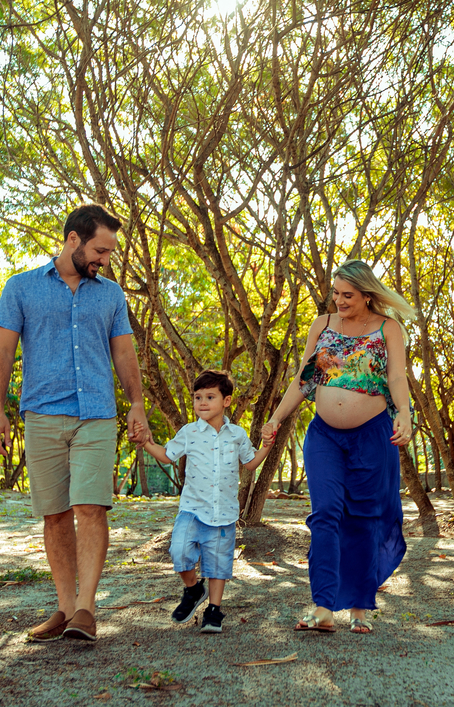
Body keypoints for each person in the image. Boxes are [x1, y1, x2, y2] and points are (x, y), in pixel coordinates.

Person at [0, 203, 152, 644]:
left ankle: (86, 609)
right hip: (42, 413)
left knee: (91, 507)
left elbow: (124, 352)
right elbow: (2, 353)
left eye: (110, 253)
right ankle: (63, 607)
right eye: (100, 250)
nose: (105, 260)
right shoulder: (20, 288)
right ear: (73, 239)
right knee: (55, 515)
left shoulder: (111, 295)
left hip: (97, 413)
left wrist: (136, 403)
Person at [260, 260, 414, 634]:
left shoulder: (387, 327)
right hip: (325, 435)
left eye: (348, 295)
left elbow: (396, 375)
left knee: (363, 517)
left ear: (367, 295)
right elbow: (304, 379)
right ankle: (323, 606)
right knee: (325, 513)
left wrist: (406, 413)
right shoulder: (323, 325)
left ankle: (360, 606)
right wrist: (276, 418)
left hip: (372, 434)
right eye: (336, 293)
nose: (340, 300)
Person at [137, 369, 274, 633]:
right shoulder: (189, 432)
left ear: (227, 401)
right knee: (179, 551)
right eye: (198, 397)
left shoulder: (236, 434)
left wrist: (267, 445)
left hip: (224, 511)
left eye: (210, 397)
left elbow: (250, 463)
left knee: (218, 563)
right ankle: (192, 589)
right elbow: (168, 455)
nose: (202, 402)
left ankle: (214, 610)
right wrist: (146, 442)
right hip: (192, 508)